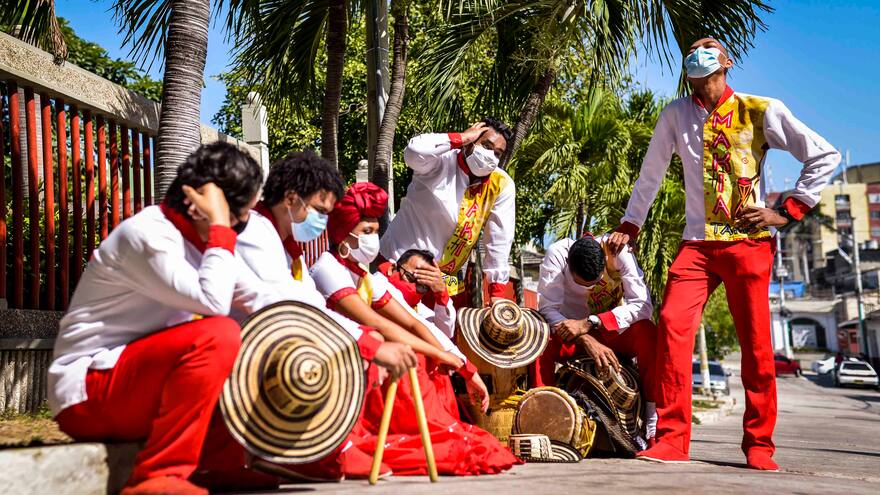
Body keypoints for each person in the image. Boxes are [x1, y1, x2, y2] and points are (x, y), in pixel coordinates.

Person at [609, 38, 841, 470]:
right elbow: (651, 173)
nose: (699, 55)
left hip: (747, 243)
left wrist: (785, 211)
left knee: (756, 345)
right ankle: (673, 439)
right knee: (674, 326)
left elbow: (823, 155)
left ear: (726, 63)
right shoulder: (675, 114)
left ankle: (759, 444)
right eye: (694, 55)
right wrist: (630, 224)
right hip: (696, 244)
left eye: (708, 50)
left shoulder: (760, 109)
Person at [50, 143, 270, 495]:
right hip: (87, 393)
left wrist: (354, 340)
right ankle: (158, 476)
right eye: (239, 213)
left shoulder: (204, 245)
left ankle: (220, 463)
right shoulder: (148, 235)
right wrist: (219, 227)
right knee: (219, 335)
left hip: (134, 383)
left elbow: (264, 299)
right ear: (201, 204)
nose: (243, 224)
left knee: (260, 335)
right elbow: (213, 302)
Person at [198, 151, 419, 486]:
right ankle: (303, 451)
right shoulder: (257, 234)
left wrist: (362, 337)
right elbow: (283, 302)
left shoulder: (283, 243)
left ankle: (315, 449)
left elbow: (304, 299)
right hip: (248, 347)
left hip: (268, 338)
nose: (321, 221)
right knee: (345, 352)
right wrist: (362, 341)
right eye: (319, 211)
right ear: (291, 199)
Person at [311, 182, 517, 475]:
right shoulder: (327, 268)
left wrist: (460, 364)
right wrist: (444, 356)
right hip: (337, 356)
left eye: (374, 232)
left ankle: (435, 428)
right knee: (410, 353)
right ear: (345, 236)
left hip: (366, 351)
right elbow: (377, 324)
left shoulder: (364, 278)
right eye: (366, 232)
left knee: (427, 359)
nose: (373, 240)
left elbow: (412, 322)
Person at [532, 234, 658, 446]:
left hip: (610, 331)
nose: (591, 289)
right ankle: (543, 412)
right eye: (583, 285)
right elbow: (547, 310)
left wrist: (592, 322)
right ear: (568, 267)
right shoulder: (557, 253)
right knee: (540, 337)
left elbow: (643, 307)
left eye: (596, 282)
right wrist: (585, 337)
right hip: (572, 336)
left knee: (648, 332)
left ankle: (652, 419)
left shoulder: (618, 251)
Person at [379, 118, 516, 306]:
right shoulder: (440, 160)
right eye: (485, 145)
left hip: (441, 284)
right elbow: (414, 152)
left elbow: (500, 239)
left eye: (497, 153)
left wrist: (497, 293)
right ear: (470, 142)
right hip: (398, 267)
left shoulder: (501, 185)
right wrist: (461, 137)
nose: (490, 155)